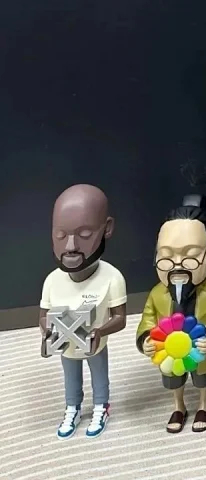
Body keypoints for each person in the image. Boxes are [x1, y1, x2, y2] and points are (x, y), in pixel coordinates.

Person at [136, 196, 206, 433]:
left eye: (191, 255)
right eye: (166, 256)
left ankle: (203, 404)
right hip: (169, 350)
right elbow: (148, 318)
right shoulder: (157, 293)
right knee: (173, 377)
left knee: (203, 377)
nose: (177, 264)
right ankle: (178, 406)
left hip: (202, 347)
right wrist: (146, 339)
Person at [39, 185, 127, 440]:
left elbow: (120, 318)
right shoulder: (52, 280)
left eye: (85, 234)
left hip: (94, 344)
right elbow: (44, 314)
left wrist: (100, 331)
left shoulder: (112, 278)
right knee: (70, 377)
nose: (70, 246)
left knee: (99, 374)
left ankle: (101, 406)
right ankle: (72, 408)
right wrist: (47, 332)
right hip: (66, 345)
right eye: (60, 235)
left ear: (107, 228)